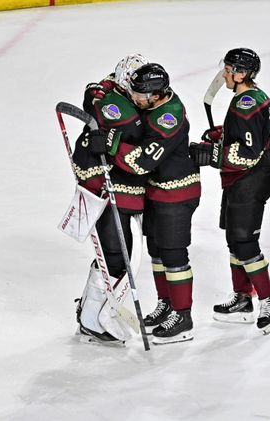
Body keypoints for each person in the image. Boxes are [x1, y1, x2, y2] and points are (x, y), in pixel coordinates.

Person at [89, 63, 201, 344]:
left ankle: (182, 316)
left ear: (156, 94)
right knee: (158, 252)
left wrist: (111, 145)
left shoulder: (169, 117)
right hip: (156, 192)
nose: (135, 99)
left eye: (139, 95)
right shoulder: (152, 103)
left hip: (177, 194)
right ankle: (166, 305)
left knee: (174, 254)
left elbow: (141, 162)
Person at [190, 48, 270, 334]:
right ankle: (243, 298)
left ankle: (269, 300)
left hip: (249, 181)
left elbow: (248, 153)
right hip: (240, 181)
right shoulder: (256, 98)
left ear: (242, 74)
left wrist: (212, 153)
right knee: (234, 240)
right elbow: (260, 134)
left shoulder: (245, 105)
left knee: (244, 243)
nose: (225, 74)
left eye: (230, 69)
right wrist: (224, 134)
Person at [72, 54, 148, 345]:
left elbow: (95, 92)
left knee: (113, 252)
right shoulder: (118, 107)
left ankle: (91, 312)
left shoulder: (107, 91)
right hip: (106, 185)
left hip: (107, 182)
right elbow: (134, 129)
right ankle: (94, 316)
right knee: (117, 253)